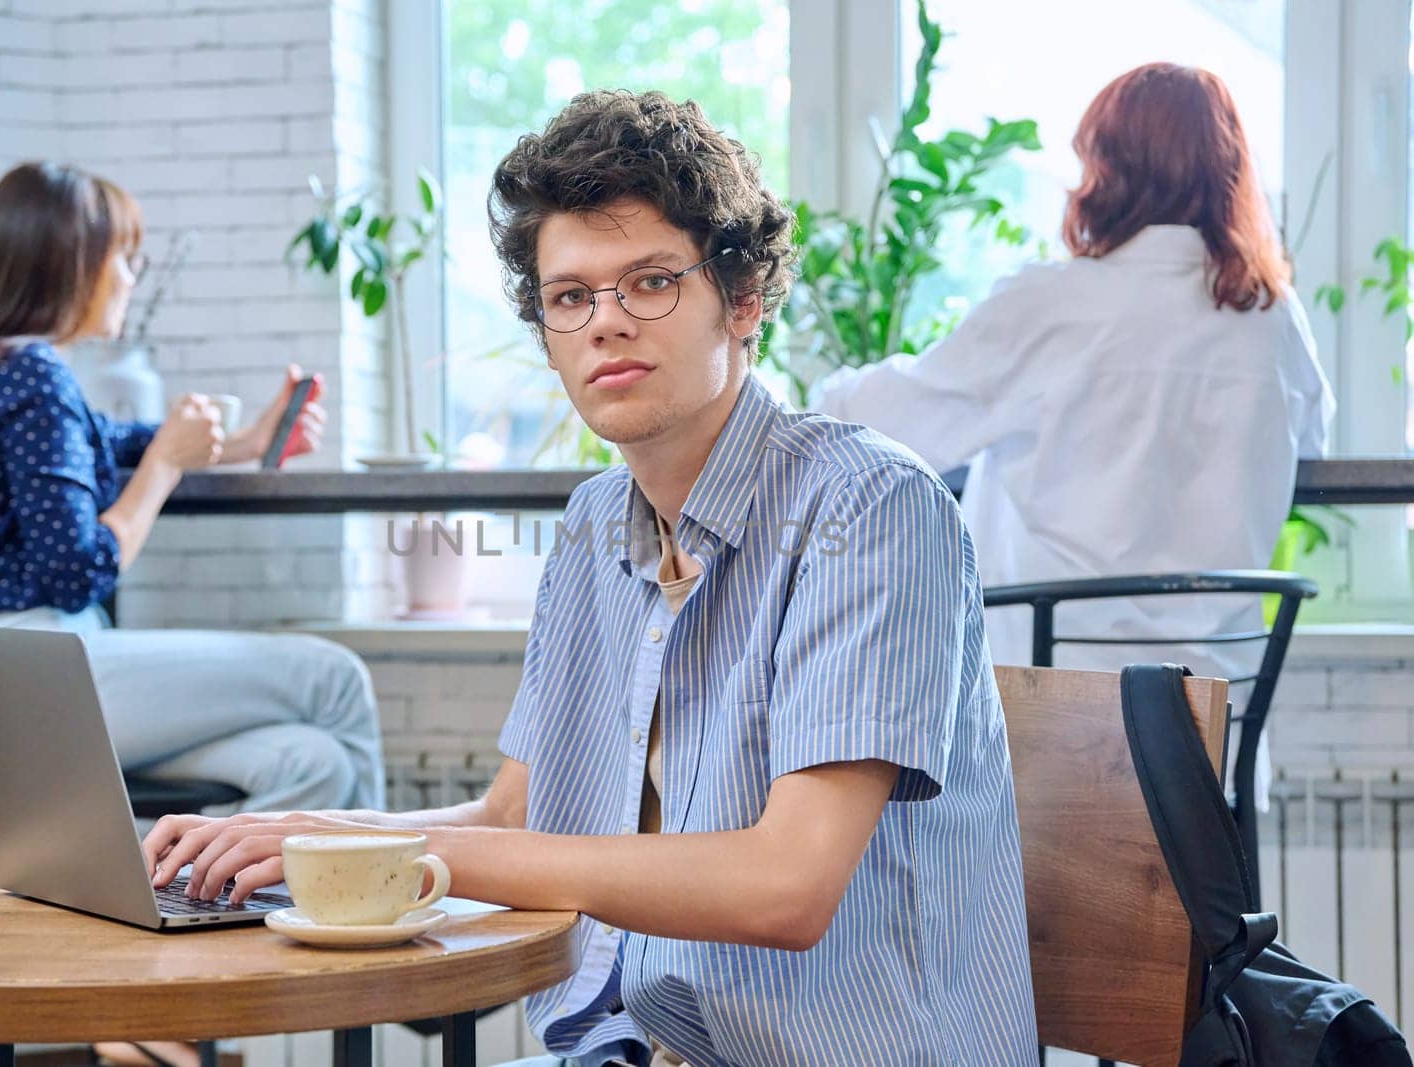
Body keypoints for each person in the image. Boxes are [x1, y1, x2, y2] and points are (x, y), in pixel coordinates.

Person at [142, 91, 1038, 1067]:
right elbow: (511, 817)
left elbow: (786, 883)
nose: (606, 322)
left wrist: (368, 845)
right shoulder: (591, 524)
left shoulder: (868, 505)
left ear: (740, 301)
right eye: (571, 297)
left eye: (650, 281)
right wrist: (288, 837)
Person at [813, 63, 1335, 692]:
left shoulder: (1053, 303)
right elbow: (1312, 446)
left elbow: (883, 420)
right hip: (1212, 725)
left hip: (1053, 714)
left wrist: (813, 387)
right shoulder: (1272, 318)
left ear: (1106, 171)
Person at [0, 162, 385, 819]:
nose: (130, 278)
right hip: (45, 672)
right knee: (335, 676)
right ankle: (381, 900)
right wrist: (163, 466)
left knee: (311, 762)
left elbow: (108, 438)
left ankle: (161, 880)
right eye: (124, 259)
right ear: (75, 264)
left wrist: (244, 441)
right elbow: (80, 570)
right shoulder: (34, 375)